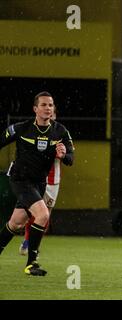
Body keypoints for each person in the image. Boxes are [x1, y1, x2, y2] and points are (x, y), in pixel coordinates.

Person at [0, 91, 74, 276]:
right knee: (42, 215)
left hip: (38, 184)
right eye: (43, 105)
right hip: (20, 180)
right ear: (35, 109)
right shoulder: (22, 128)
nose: (48, 108)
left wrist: (64, 155)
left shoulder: (60, 131)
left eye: (50, 105)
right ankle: (31, 263)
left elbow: (71, 158)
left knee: (16, 223)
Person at [19, 110, 62, 255]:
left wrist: (62, 153)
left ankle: (34, 245)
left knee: (45, 216)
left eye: (53, 113)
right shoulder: (33, 132)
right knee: (29, 214)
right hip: (35, 178)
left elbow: (67, 155)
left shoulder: (60, 134)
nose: (50, 114)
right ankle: (26, 241)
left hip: (52, 180)